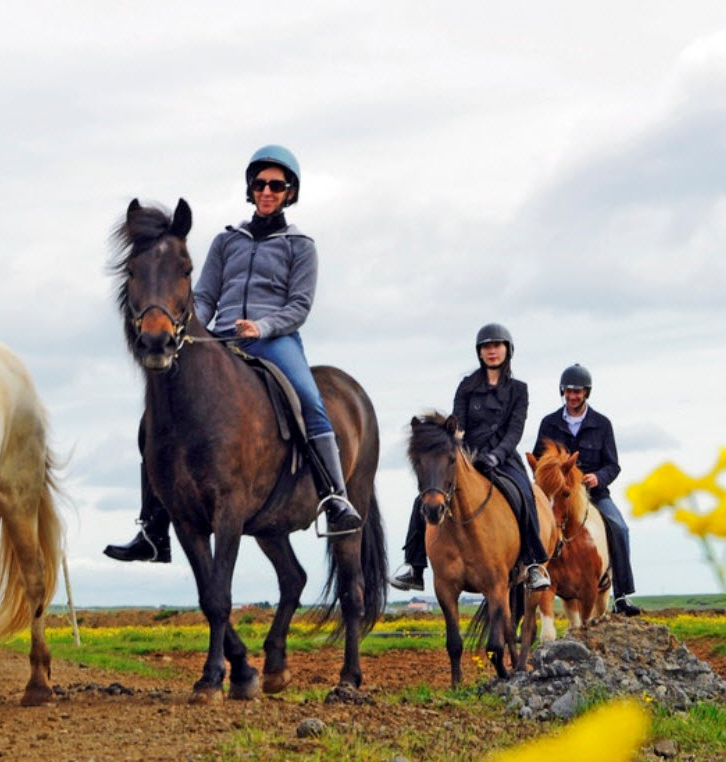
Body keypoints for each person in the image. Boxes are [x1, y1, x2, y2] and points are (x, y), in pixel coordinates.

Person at [104, 145, 363, 563]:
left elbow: (299, 305)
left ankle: (335, 498)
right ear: (250, 189)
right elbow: (203, 296)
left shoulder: (301, 245)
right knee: (153, 420)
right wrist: (188, 328)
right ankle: (152, 528)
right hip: (220, 338)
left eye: (276, 185)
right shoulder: (228, 240)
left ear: (289, 193)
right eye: (260, 184)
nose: (267, 191)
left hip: (274, 340)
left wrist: (262, 327)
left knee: (310, 401)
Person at [389, 323, 552, 592]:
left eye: (497, 346)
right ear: (479, 352)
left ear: (507, 350)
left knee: (525, 494)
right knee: (427, 493)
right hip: (467, 457)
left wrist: (497, 456)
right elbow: (458, 424)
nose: (492, 351)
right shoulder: (466, 387)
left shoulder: (518, 390)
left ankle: (534, 563)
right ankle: (414, 566)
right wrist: (461, 448)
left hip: (504, 457)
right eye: (486, 347)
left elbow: (515, 430)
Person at [532, 364, 641, 616]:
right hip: (558, 496)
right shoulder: (548, 423)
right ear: (563, 392)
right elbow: (539, 464)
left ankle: (621, 595)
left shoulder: (602, 424)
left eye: (578, 392)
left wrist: (598, 478)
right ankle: (520, 599)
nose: (572, 396)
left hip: (593, 494)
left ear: (586, 393)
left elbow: (613, 465)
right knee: (526, 528)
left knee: (620, 528)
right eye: (568, 391)